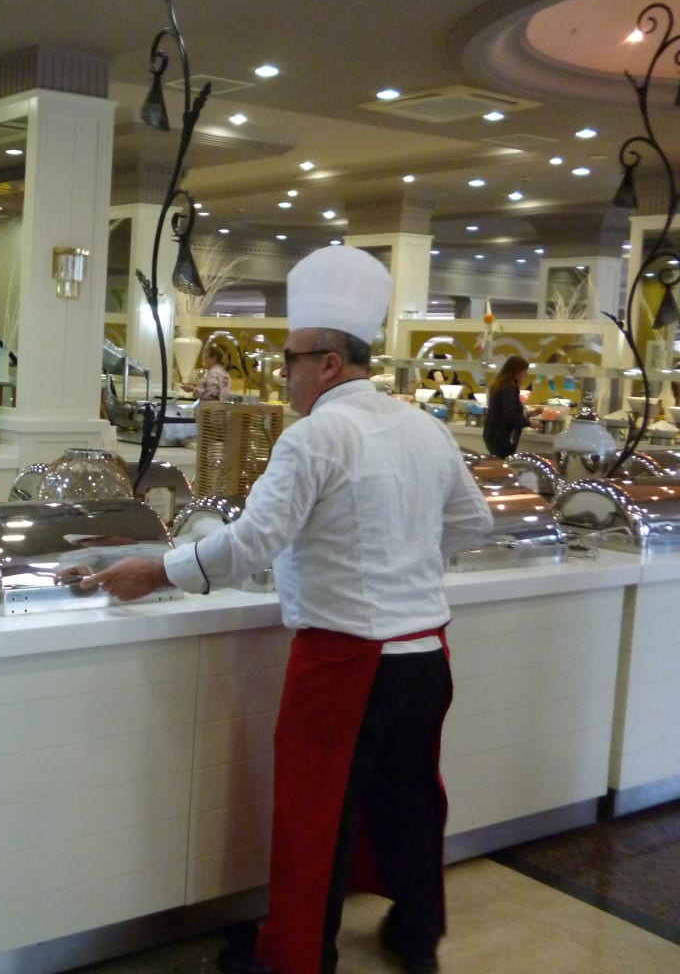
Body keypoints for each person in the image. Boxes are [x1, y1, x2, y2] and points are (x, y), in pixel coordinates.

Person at [78, 245, 493, 974]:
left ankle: (295, 958)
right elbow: (473, 523)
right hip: (427, 654)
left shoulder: (313, 436)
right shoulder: (423, 427)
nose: (283, 375)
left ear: (328, 363)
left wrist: (156, 571)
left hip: (346, 660)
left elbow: (252, 542)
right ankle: (416, 934)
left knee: (314, 814)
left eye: (290, 360)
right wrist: (406, 562)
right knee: (410, 801)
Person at [482, 355, 540, 458]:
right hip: (502, 437)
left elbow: (505, 411)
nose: (526, 376)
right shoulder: (510, 388)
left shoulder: (499, 386)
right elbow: (510, 414)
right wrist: (529, 423)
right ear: (516, 372)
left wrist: (530, 413)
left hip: (492, 435)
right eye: (524, 372)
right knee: (506, 463)